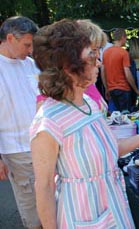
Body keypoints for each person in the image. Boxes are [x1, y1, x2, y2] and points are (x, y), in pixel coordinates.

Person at [30, 19, 139, 228]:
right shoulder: (49, 121)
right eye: (91, 56)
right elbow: (43, 187)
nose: (98, 62)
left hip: (114, 207)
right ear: (68, 66)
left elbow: (110, 150)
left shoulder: (89, 104)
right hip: (82, 215)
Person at [0, 16, 41, 229]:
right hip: (16, 150)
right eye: (27, 44)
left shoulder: (31, 65)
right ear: (9, 38)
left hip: (43, 144)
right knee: (32, 209)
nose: (30, 49)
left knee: (50, 201)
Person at [102, 28, 139, 113]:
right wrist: (135, 89)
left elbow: (103, 71)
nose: (126, 40)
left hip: (111, 89)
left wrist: (106, 88)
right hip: (123, 88)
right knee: (125, 115)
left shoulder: (106, 52)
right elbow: (127, 73)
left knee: (115, 115)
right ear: (123, 37)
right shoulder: (123, 53)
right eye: (126, 38)